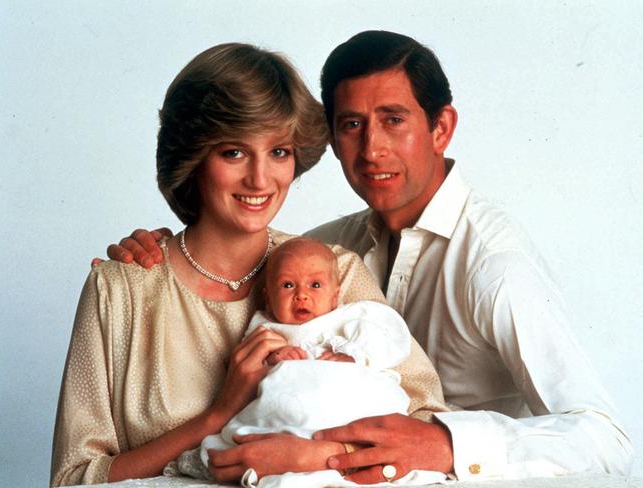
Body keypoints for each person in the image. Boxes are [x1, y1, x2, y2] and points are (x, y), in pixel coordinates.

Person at [106, 30, 634, 482]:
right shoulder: (327, 250)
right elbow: (236, 254)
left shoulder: (493, 266)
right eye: (352, 124)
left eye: (394, 119)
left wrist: (448, 445)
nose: (372, 149)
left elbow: (607, 439)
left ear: (442, 127)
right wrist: (159, 249)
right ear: (331, 140)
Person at [51, 42, 445, 487]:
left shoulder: (335, 270)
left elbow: (427, 425)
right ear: (193, 158)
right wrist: (216, 415)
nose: (261, 180)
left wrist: (321, 455)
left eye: (278, 152)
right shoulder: (120, 289)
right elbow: (73, 479)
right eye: (233, 152)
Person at [168, 237, 447, 487]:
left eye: (315, 285)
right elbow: (245, 370)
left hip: (349, 401)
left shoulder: (348, 317)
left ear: (335, 295)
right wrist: (275, 357)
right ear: (268, 298)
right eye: (288, 285)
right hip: (291, 410)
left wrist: (354, 355)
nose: (302, 295)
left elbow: (391, 339)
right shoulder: (266, 327)